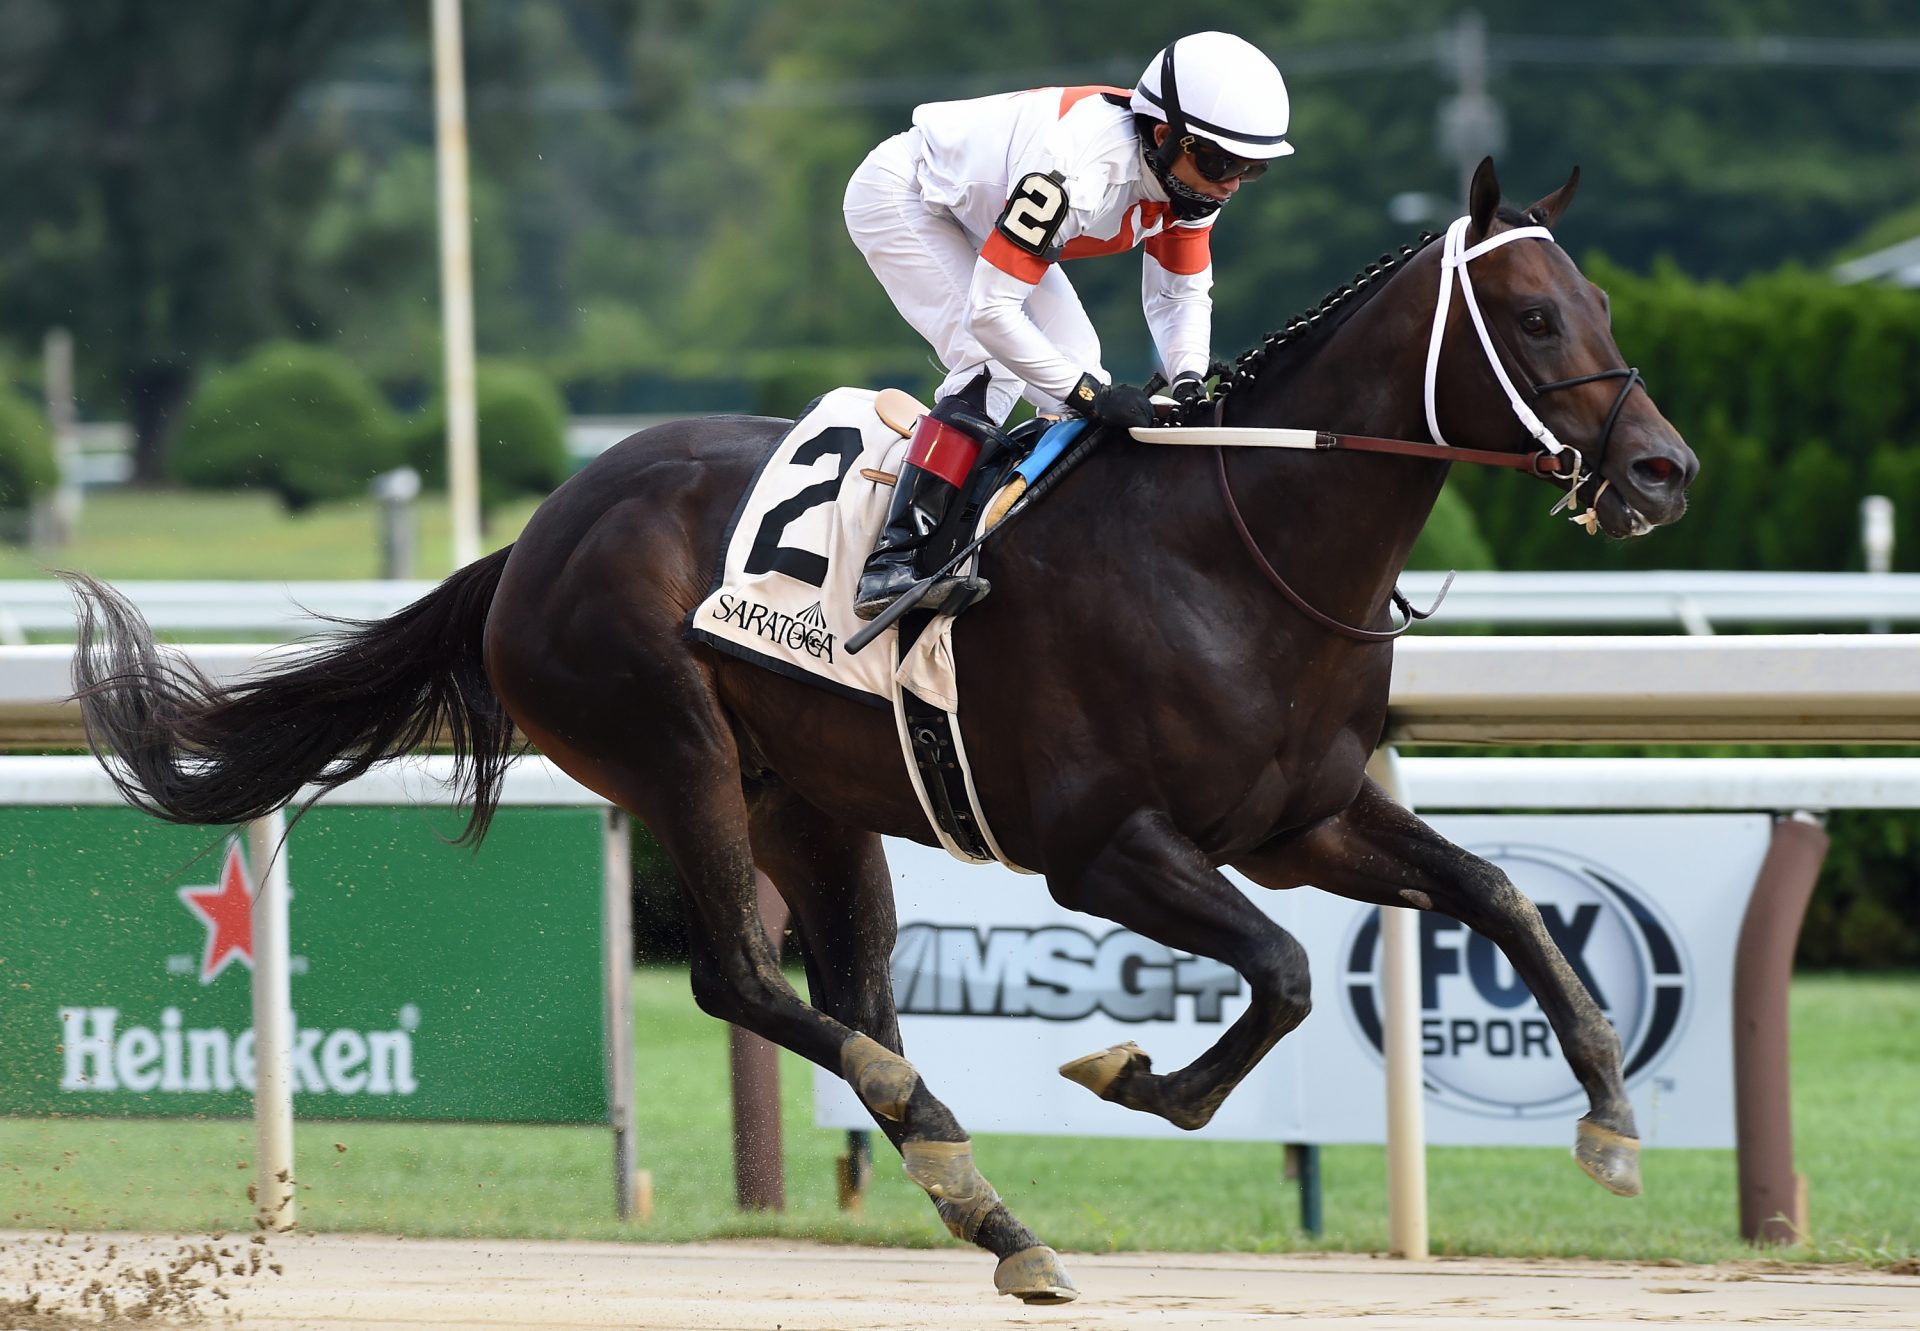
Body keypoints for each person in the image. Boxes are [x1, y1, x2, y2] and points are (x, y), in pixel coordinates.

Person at [843, 31, 1293, 619]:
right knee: (997, 361)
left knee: (1079, 363)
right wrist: (1093, 398)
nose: (1230, 183)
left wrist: (1186, 378)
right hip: (908, 196)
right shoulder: (1076, 172)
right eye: (1220, 162)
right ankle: (894, 559)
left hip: (985, 214)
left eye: (1249, 169)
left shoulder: (1188, 183)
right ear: (1164, 137)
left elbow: (1180, 297)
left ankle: (1026, 533)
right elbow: (991, 313)